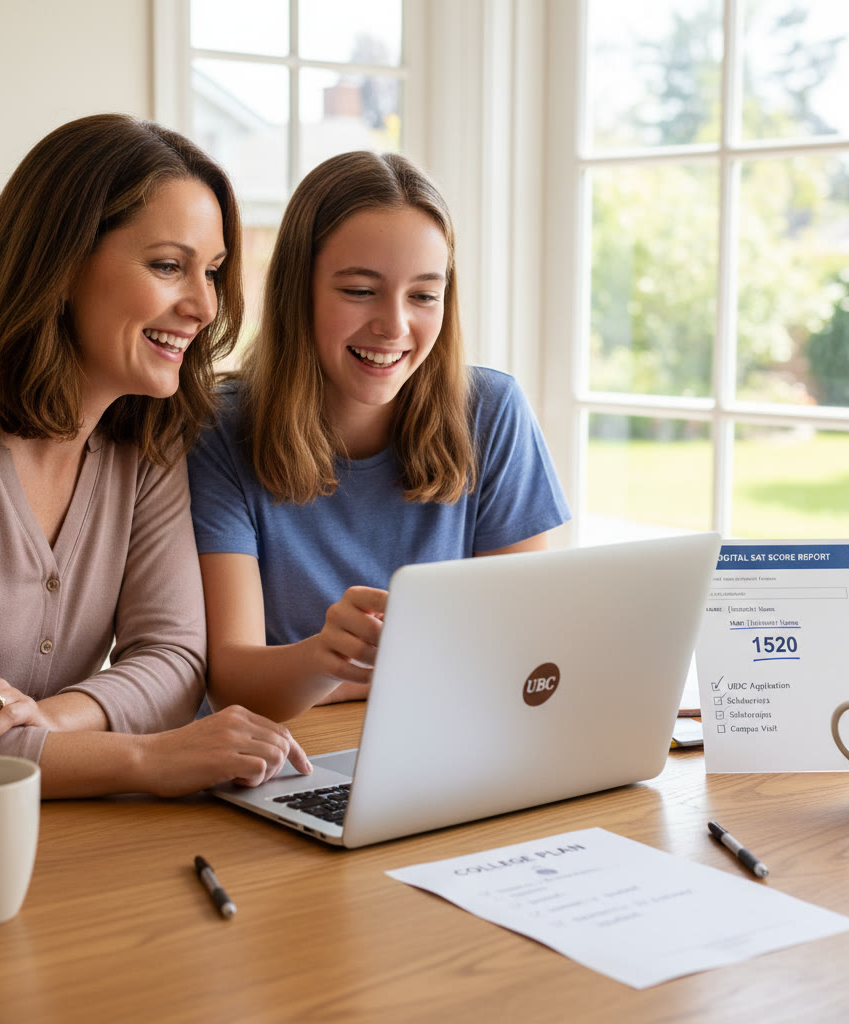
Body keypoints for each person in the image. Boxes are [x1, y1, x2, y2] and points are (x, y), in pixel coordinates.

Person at [0, 113, 311, 797]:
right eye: (169, 266)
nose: (203, 305)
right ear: (63, 262)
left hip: (65, 835)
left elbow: (173, 661)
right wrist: (146, 759)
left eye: (214, 272)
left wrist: (35, 721)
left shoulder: (149, 438)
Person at [188, 151, 571, 723]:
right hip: (286, 757)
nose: (394, 326)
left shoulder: (492, 412)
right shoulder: (217, 431)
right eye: (361, 291)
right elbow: (232, 682)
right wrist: (325, 657)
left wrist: (336, 677)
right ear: (300, 291)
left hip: (447, 738)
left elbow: (523, 658)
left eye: (423, 295)